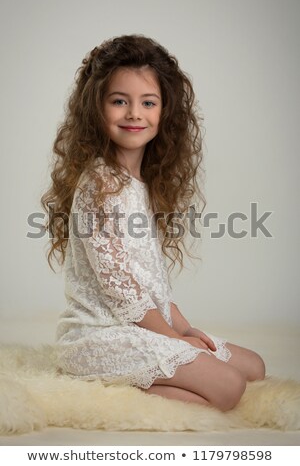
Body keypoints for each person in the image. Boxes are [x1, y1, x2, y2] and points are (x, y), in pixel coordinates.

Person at [42, 34, 265, 412]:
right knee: (228, 388)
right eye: (119, 101)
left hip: (142, 324)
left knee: (253, 368)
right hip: (99, 334)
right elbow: (122, 292)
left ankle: (159, 373)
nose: (134, 113)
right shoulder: (100, 183)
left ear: (165, 113)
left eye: (148, 102)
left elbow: (151, 283)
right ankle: (101, 386)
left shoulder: (143, 185)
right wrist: (174, 341)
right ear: (96, 108)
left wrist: (184, 328)